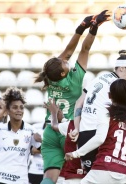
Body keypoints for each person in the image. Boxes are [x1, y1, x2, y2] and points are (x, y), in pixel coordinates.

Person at [34, 10, 111, 184]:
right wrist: (94, 28)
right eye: (65, 62)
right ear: (63, 72)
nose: (67, 60)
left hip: (49, 131)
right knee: (75, 177)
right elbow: (85, 48)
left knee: (50, 177)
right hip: (68, 131)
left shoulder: (49, 77)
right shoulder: (75, 80)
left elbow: (68, 51)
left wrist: (81, 27)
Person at [68, 50, 126, 182]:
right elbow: (123, 116)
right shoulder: (117, 88)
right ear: (122, 68)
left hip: (84, 135)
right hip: (102, 134)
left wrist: (76, 128)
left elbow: (79, 103)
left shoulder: (99, 78)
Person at [68, 79, 126, 183]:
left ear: (109, 96)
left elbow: (99, 138)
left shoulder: (106, 112)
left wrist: (75, 154)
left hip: (104, 169)